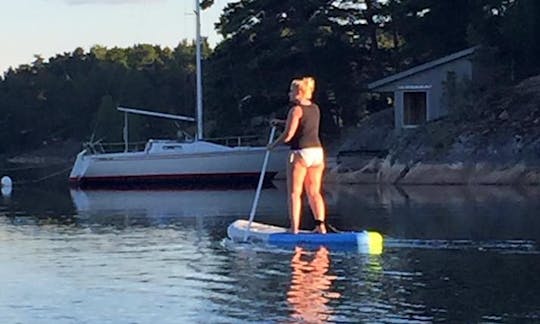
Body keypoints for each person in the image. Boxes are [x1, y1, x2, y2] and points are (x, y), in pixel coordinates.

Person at [267, 77, 326, 234]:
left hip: (300, 153)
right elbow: (301, 123)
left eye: (291, 91)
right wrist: (279, 122)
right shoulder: (315, 108)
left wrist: (273, 146)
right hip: (317, 153)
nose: (289, 94)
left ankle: (294, 230)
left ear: (299, 92)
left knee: (294, 193)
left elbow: (288, 135)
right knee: (314, 192)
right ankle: (321, 226)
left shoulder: (295, 110)